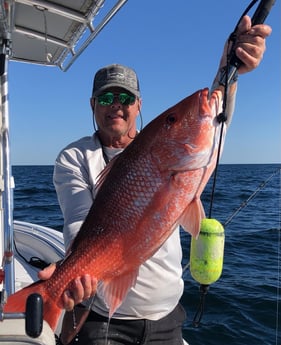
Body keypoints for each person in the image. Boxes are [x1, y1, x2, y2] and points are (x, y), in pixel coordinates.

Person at [39, 15, 271, 345]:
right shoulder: (74, 157)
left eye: (125, 98)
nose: (115, 106)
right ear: (92, 105)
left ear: (139, 104)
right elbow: (79, 221)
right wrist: (71, 274)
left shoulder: (167, 154)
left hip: (167, 316)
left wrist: (228, 71)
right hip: (104, 317)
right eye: (105, 98)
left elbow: (213, 120)